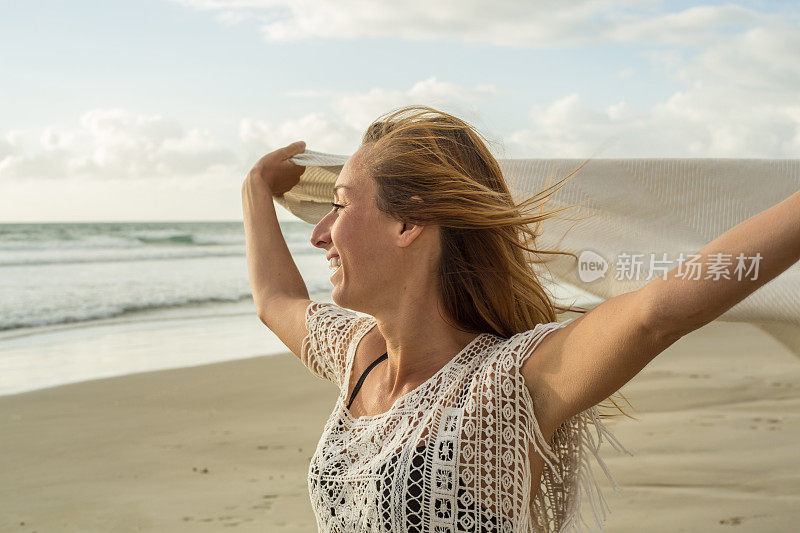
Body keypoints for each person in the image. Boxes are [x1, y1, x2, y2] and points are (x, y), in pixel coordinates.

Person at [241, 105, 800, 532]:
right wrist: (254, 191)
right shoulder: (360, 357)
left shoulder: (509, 385)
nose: (319, 234)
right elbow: (275, 301)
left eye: (338, 205)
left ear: (408, 223)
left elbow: (660, 310)